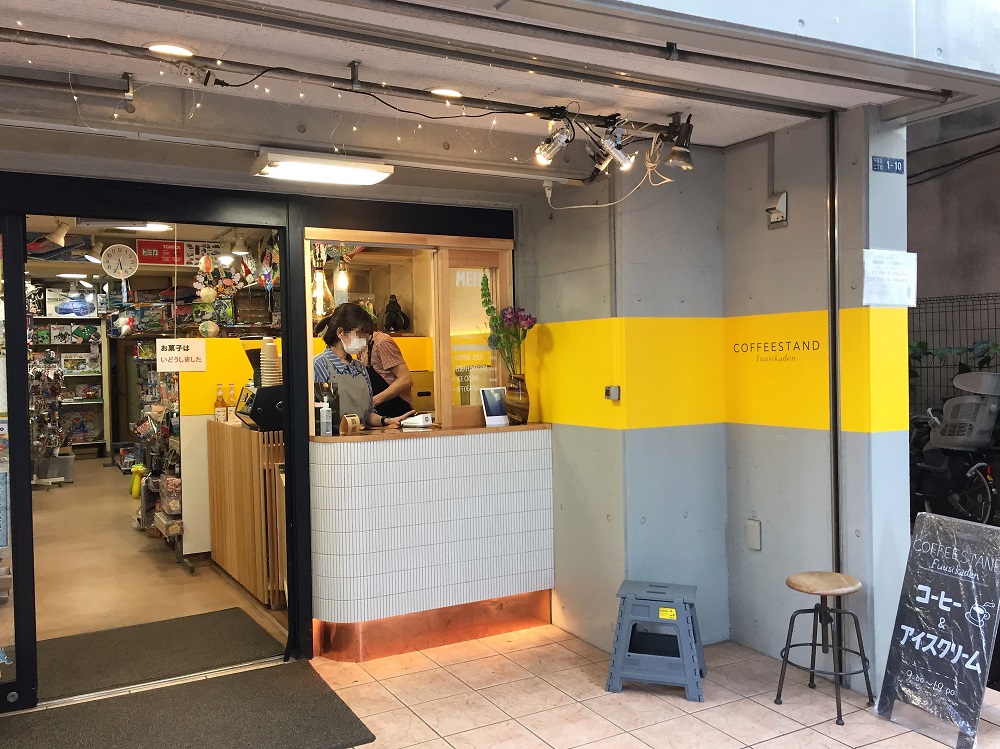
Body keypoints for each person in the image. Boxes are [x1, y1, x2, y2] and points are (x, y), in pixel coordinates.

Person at [314, 303, 414, 429]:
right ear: (340, 332)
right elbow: (313, 414)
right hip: (333, 439)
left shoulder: (360, 368)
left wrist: (386, 420)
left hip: (361, 437)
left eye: (366, 335)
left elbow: (367, 414)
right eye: (359, 334)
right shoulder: (319, 366)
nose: (364, 340)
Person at [362, 329, 414, 418]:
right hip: (378, 415)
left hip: (396, 411)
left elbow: (405, 379)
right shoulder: (363, 347)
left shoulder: (382, 342)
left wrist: (374, 401)